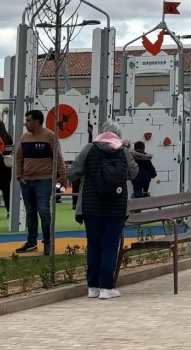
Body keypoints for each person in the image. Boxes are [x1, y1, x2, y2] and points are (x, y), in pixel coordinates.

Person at [67, 120, 138, 298]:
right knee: (110, 245)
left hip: (91, 206)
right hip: (116, 207)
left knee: (94, 245)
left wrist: (87, 174)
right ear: (118, 135)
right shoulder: (122, 151)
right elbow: (134, 172)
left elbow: (72, 173)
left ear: (101, 132)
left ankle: (93, 287)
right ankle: (107, 288)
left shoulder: (89, 149)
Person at [14, 109, 68, 256]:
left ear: (37, 122)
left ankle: (48, 242)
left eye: (29, 120)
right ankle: (31, 242)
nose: (26, 123)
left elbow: (58, 157)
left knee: (44, 211)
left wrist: (62, 175)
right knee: (30, 212)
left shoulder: (50, 136)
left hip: (44, 180)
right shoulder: (24, 137)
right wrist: (19, 175)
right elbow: (18, 157)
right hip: (26, 181)